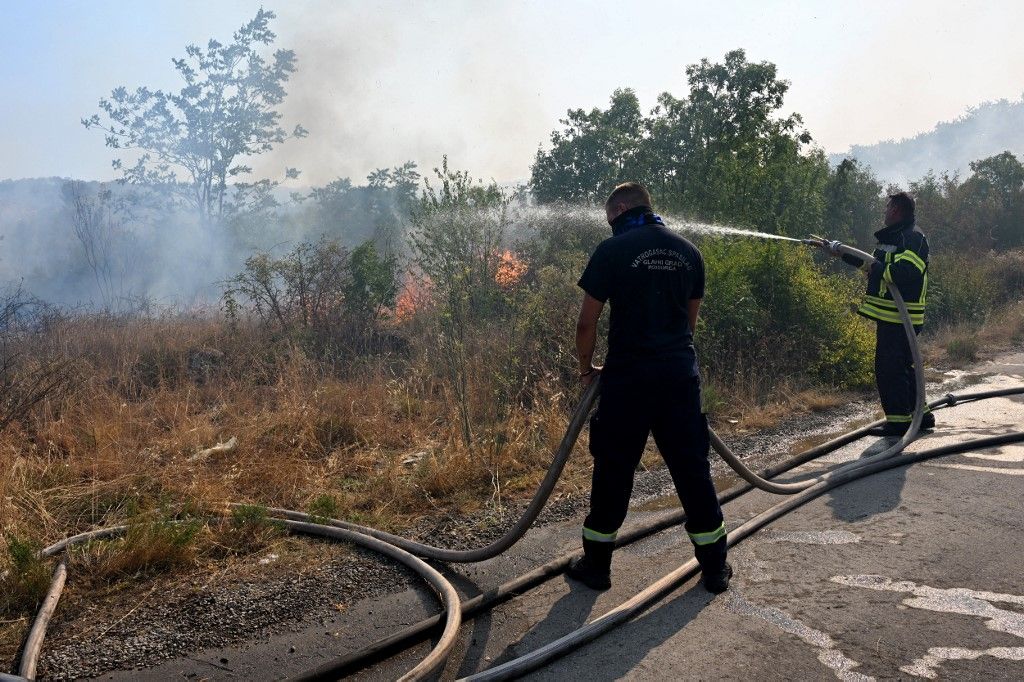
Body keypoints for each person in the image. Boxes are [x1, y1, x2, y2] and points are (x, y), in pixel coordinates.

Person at [569, 182, 731, 594]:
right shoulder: (690, 252)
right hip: (678, 376)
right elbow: (689, 325)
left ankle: (597, 567)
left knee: (614, 470)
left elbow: (586, 323)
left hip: (628, 379)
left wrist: (587, 369)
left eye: (611, 220)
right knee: (692, 470)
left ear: (620, 208)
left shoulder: (612, 251)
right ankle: (714, 569)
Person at [816, 192, 932, 437]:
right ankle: (921, 415)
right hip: (891, 316)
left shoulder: (913, 238)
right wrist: (840, 252)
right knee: (902, 367)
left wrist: (880, 268)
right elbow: (871, 265)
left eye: (888, 206)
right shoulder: (893, 238)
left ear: (898, 210)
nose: (885, 211)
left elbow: (905, 272)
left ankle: (900, 422)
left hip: (902, 317)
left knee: (890, 370)